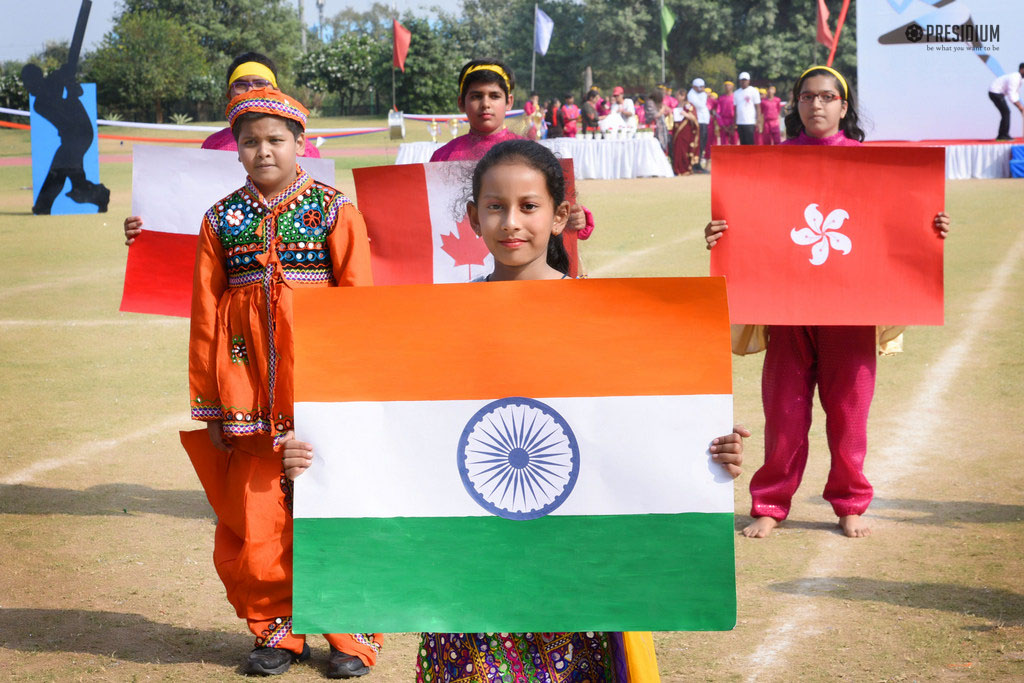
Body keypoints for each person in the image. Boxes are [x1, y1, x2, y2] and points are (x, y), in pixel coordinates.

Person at [284, 139, 749, 682]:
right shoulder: (440, 322)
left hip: (574, 575)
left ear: (561, 217)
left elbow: (637, 432)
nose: (511, 222)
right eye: (495, 206)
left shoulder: (606, 322)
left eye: (529, 206)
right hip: (472, 577)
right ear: (472, 218)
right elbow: (404, 433)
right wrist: (320, 457)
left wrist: (710, 453)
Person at [704, 66, 951, 540]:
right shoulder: (767, 163)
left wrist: (929, 227)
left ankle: (850, 501)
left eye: (827, 97)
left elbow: (896, 225)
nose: (816, 105)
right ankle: (771, 503)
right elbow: (749, 228)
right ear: (795, 104)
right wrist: (719, 234)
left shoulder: (870, 165)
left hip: (850, 311)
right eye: (807, 97)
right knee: (784, 412)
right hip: (788, 309)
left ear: (843, 105)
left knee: (849, 411)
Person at [184, 86, 381, 677]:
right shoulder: (221, 219)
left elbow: (361, 305)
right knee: (257, 515)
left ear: (301, 144)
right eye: (250, 142)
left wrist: (355, 394)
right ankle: (277, 631)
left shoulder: (333, 209)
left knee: (332, 506)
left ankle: (351, 637)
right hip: (245, 396)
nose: (263, 150)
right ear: (237, 151)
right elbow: (202, 311)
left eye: (275, 139)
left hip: (320, 391)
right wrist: (212, 405)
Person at [123, 51, 319, 245]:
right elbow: (190, 205)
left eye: (260, 83)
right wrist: (147, 228)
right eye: (241, 85)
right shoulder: (212, 145)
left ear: (276, 91)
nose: (251, 90)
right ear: (229, 94)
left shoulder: (304, 148)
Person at [429, 60, 595, 248]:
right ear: (461, 103)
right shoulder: (443, 157)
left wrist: (576, 217)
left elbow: (553, 202)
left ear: (509, 102)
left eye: (494, 96)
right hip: (462, 257)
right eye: (476, 96)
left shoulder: (530, 153)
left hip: (519, 254)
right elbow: (432, 212)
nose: (485, 104)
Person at [21, 62, 110, 214]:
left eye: (27, 82)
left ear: (36, 79)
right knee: (71, 177)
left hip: (80, 134)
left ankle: (44, 205)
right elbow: (62, 108)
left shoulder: (51, 85)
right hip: (72, 137)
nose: (26, 86)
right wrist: (66, 82)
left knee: (58, 170)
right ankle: (98, 195)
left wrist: (66, 76)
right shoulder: (40, 103)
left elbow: (74, 93)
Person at [988, 62, 1024, 140]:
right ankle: (1002, 135)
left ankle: (1003, 134)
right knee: (1006, 112)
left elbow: (1015, 93)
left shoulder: (1019, 79)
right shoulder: (1015, 77)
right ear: (1022, 70)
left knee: (1006, 112)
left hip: (998, 93)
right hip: (995, 92)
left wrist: (1021, 107)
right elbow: (1011, 94)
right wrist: (1020, 108)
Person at [670, 98, 701, 175]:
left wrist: (685, 114)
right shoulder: (677, 106)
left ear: (683, 96)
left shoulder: (689, 106)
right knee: (677, 150)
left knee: (685, 150)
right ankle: (677, 168)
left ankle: (685, 169)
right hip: (678, 130)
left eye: (678, 95)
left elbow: (694, 118)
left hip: (687, 130)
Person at [687, 78, 711, 168]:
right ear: (694, 87)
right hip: (698, 121)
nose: (702, 89)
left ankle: (698, 162)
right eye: (700, 87)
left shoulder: (701, 94)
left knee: (703, 143)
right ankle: (696, 164)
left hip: (704, 121)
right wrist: (704, 94)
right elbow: (700, 105)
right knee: (699, 143)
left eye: (703, 87)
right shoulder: (692, 94)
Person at [734, 72, 761, 145]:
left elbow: (757, 106)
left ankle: (750, 156)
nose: (743, 82)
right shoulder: (736, 93)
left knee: (750, 142)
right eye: (742, 80)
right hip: (740, 122)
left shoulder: (753, 91)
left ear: (749, 81)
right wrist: (735, 122)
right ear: (739, 81)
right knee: (742, 142)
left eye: (745, 80)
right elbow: (735, 108)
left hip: (750, 121)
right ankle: (743, 156)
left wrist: (758, 120)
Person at [716, 81, 737, 145]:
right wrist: (722, 125)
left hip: (733, 121)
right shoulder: (721, 98)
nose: (727, 87)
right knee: (724, 142)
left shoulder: (735, 97)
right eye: (726, 85)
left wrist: (734, 124)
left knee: (734, 141)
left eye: (729, 85)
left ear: (732, 87)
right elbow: (718, 112)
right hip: (724, 121)